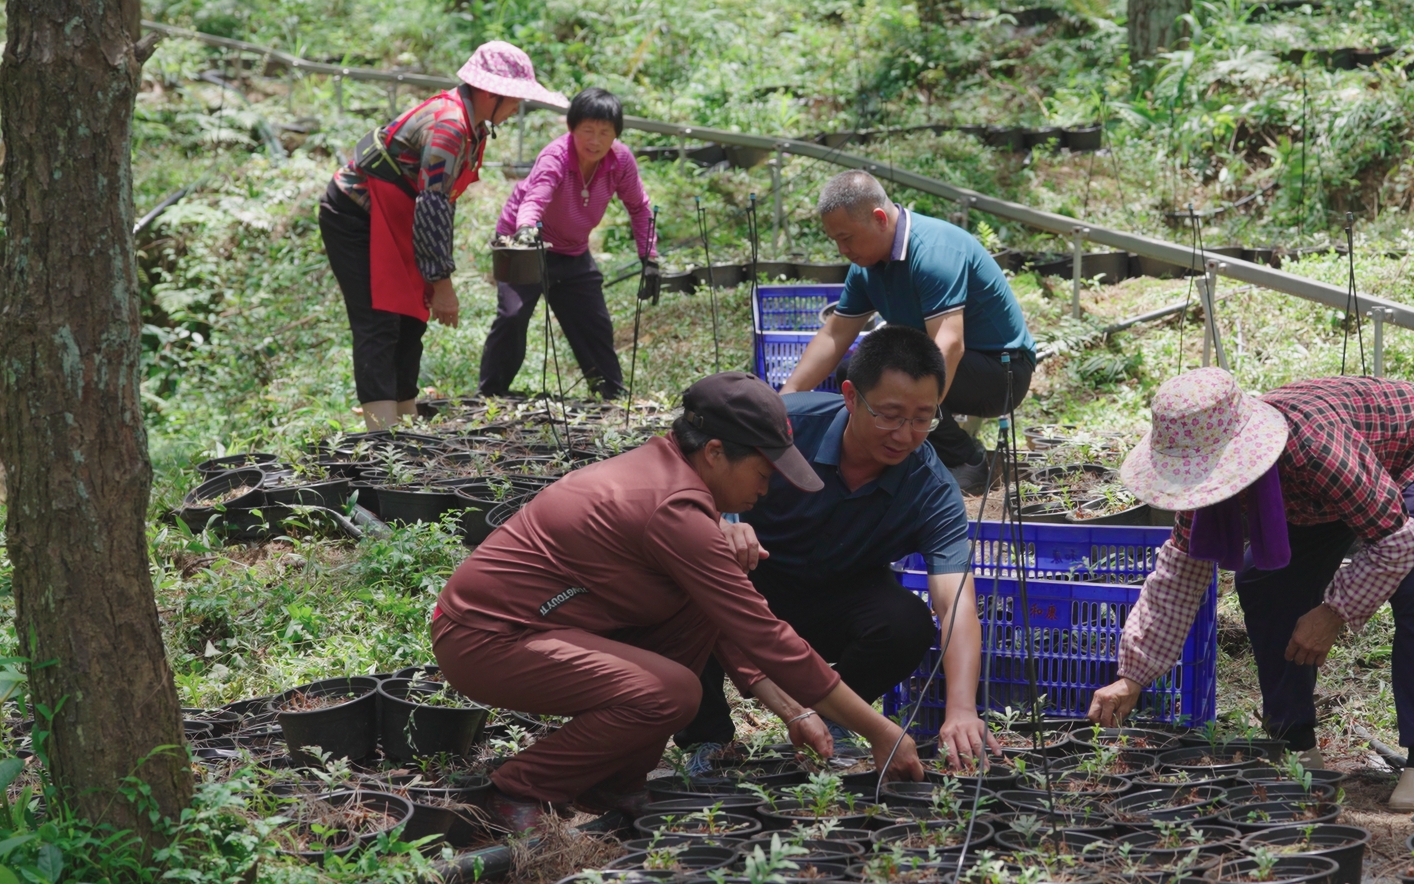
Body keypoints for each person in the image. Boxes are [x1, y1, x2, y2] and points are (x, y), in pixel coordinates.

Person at [432, 372, 925, 832]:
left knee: (697, 610)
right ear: (714, 451)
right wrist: (880, 731)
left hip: (550, 623)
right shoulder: (674, 510)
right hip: (486, 637)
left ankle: (617, 783)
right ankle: (517, 789)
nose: (767, 486)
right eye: (763, 470)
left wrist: (793, 710)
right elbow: (768, 637)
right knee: (672, 693)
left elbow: (726, 622)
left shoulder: (673, 478)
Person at [1086, 368, 1414, 813]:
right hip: (1324, 490)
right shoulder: (1204, 481)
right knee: (1263, 581)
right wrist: (1133, 676)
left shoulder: (1314, 451)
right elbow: (1178, 577)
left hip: (1411, 451)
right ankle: (1297, 741)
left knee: (1413, 588)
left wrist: (1333, 612)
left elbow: (1399, 541)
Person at [678, 326, 992, 765]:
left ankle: (836, 720)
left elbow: (956, 602)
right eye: (889, 414)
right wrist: (719, 522)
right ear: (850, 396)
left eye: (923, 418)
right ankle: (707, 739)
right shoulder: (787, 426)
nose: (905, 434)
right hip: (750, 582)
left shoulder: (931, 486)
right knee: (686, 582)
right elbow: (689, 474)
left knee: (907, 622)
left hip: (840, 596)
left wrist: (961, 708)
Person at [318, 41, 567, 430]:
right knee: (379, 320)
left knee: (409, 320)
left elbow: (436, 207)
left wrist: (434, 279)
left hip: (400, 218)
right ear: (490, 94)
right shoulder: (450, 127)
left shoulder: (473, 125)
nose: (518, 107)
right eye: (515, 98)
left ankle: (405, 423)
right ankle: (382, 440)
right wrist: (442, 284)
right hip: (356, 217)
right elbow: (432, 207)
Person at [779, 171, 1035, 494]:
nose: (842, 250)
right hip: (951, 364)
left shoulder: (932, 253)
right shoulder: (865, 267)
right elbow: (833, 336)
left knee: (891, 381)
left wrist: (912, 422)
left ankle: (967, 460)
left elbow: (950, 344)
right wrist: (783, 402)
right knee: (856, 374)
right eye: (835, 241)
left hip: (1002, 371)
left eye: (847, 238)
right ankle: (918, 446)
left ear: (879, 219)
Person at [478, 88, 659, 400]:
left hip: (573, 249)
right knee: (512, 316)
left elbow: (639, 207)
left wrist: (650, 258)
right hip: (525, 246)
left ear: (616, 134)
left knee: (594, 323)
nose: (596, 140)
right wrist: (525, 230)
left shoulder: (621, 160)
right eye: (588, 130)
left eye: (605, 132)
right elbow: (536, 196)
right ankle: (491, 395)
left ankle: (610, 394)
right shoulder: (556, 156)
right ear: (572, 128)